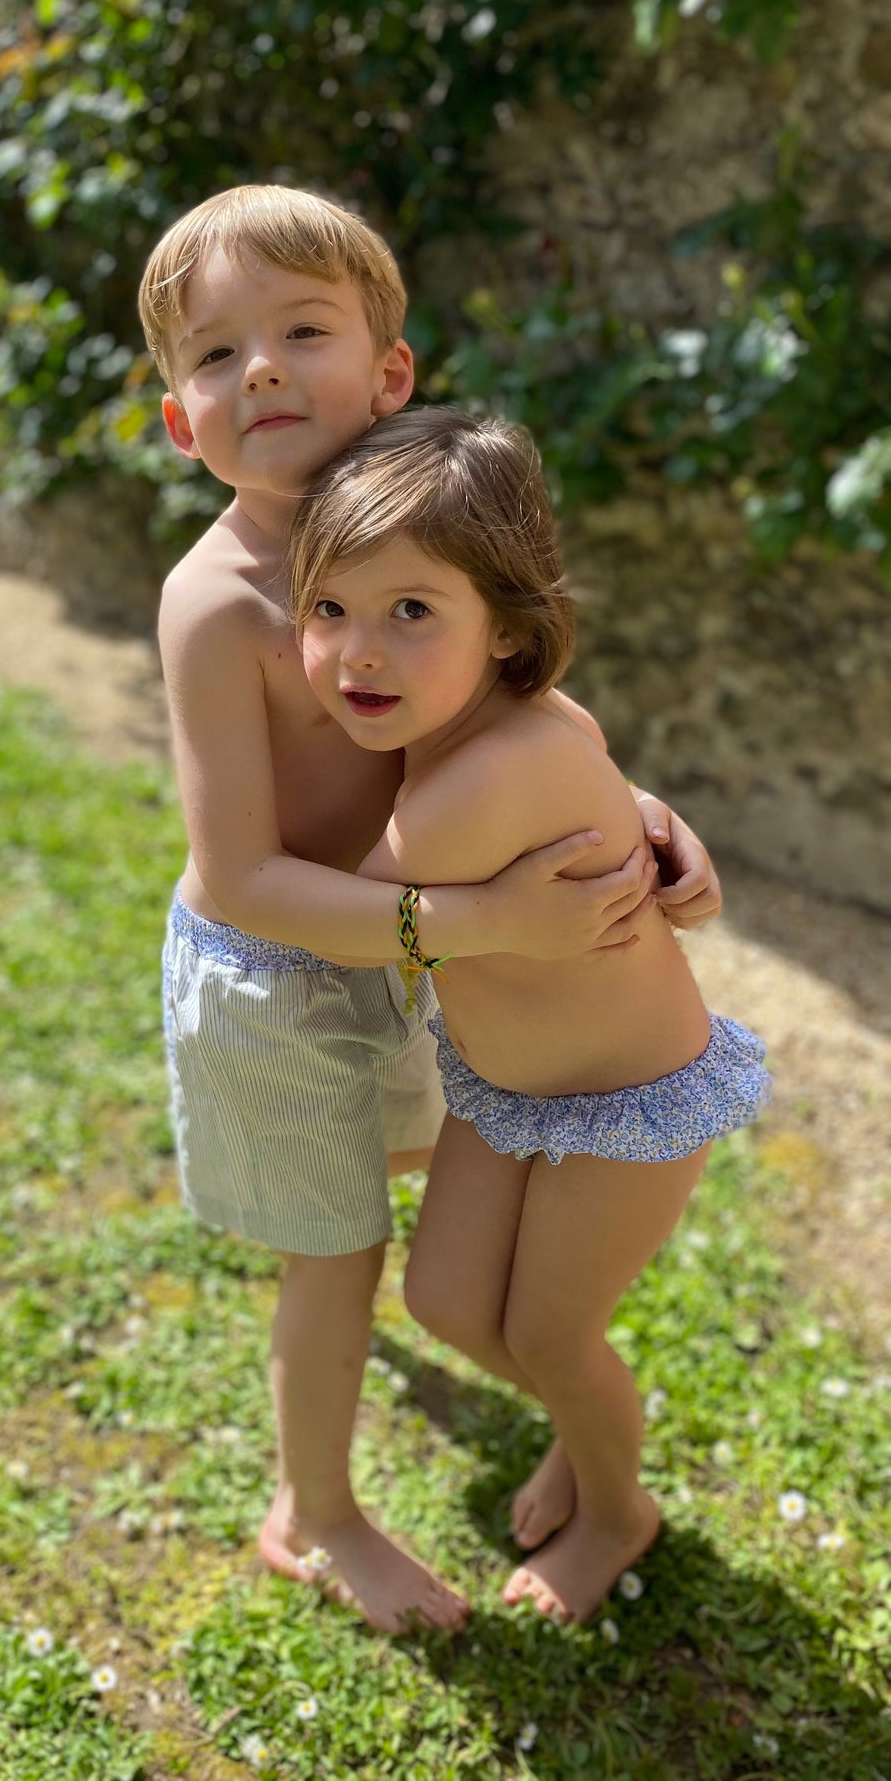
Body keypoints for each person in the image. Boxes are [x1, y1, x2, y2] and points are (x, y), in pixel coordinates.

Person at [141, 185, 725, 1633]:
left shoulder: (418, 507)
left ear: (389, 375)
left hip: (419, 941)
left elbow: (521, 690)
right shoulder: (216, 604)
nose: (259, 369)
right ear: (179, 422)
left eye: (300, 331)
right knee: (332, 1242)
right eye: (214, 356)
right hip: (281, 963)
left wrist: (648, 816)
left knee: (415, 1175)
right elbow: (242, 877)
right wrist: (486, 922)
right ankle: (316, 1510)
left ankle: (548, 1394)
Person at [286, 403, 770, 1623]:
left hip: (628, 1096)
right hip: (507, 1087)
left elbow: (324, 907)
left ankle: (615, 1504)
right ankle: (580, 1423)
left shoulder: (468, 791)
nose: (359, 654)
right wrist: (657, 821)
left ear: (506, 629)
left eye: (410, 612)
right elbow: (601, 773)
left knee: (553, 1334)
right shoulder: (514, 727)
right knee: (446, 1303)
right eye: (328, 609)